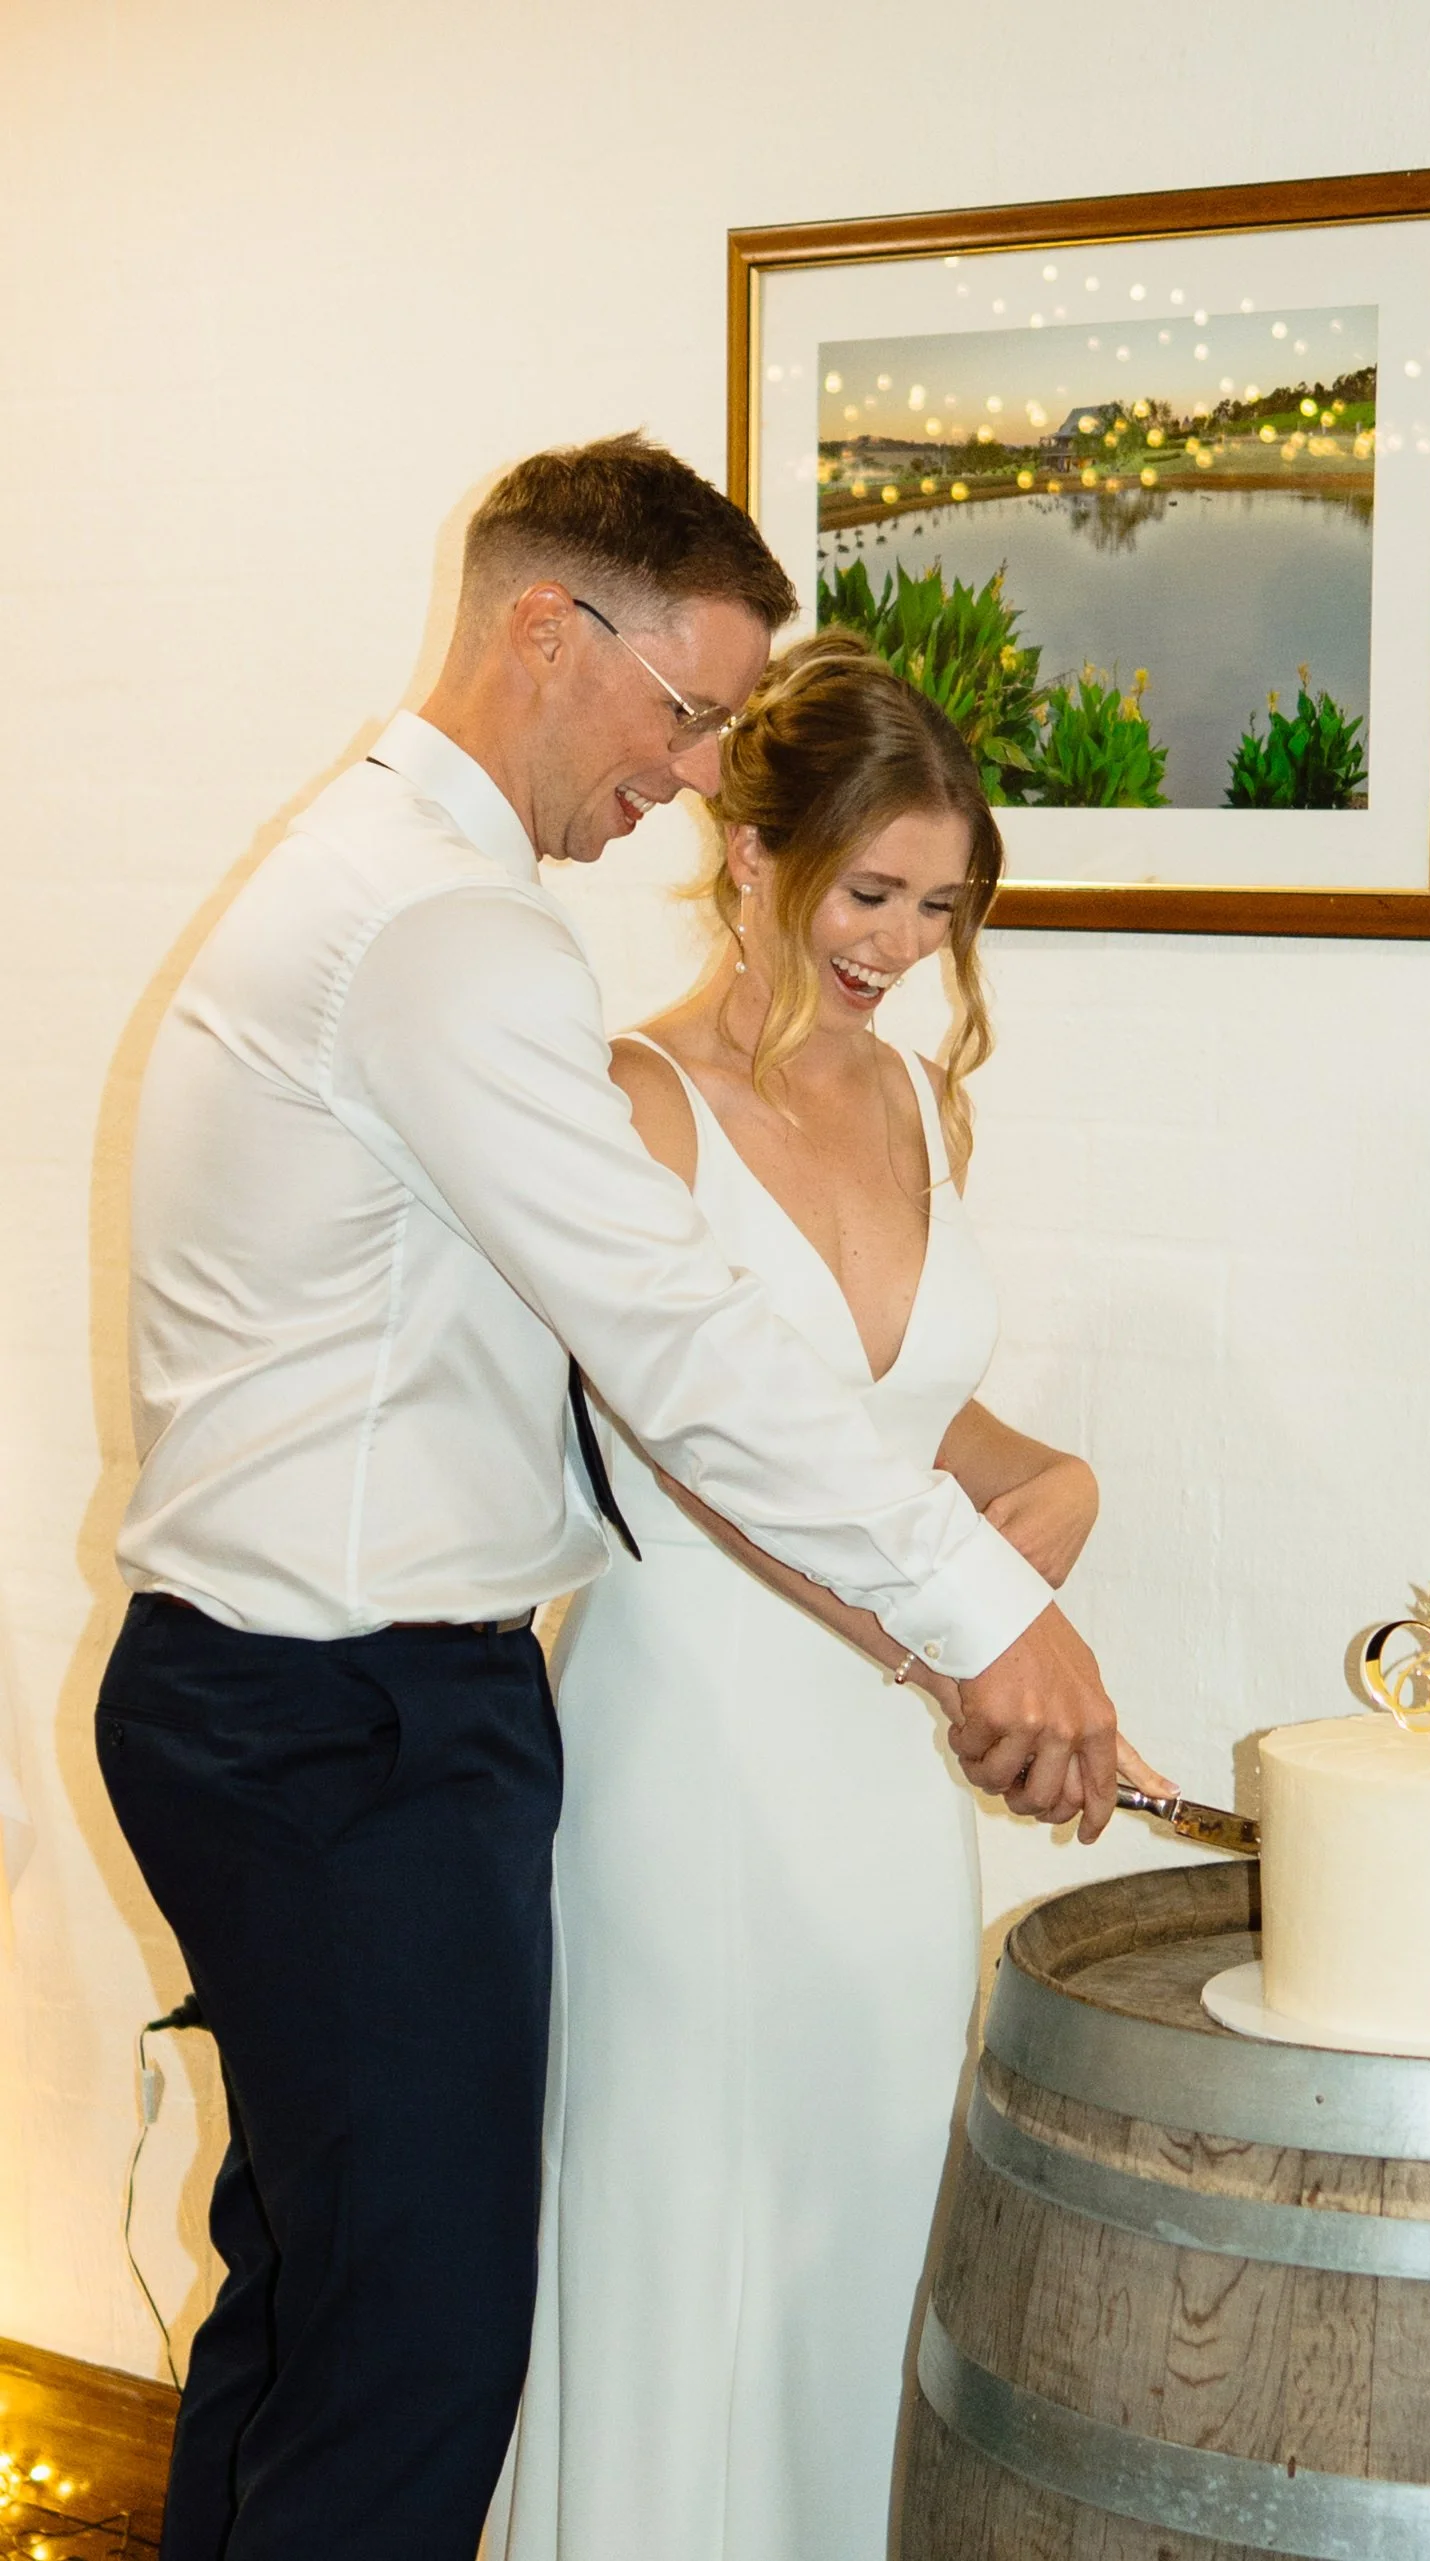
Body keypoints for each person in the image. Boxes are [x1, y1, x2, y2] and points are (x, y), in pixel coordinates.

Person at [94, 437, 1150, 2561]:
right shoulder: (440, 938)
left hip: (295, 1697)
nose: (685, 776)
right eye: (680, 711)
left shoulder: (378, 880)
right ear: (539, 630)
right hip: (349, 1724)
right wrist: (978, 1610)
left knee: (311, 2310)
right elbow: (680, 1344)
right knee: (414, 2356)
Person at [491, 633, 1144, 2561]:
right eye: (873, 892)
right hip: (682, 1751)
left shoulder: (921, 1105)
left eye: (941, 908)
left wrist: (1058, 1483)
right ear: (751, 847)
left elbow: (901, 1424)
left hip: (878, 1778)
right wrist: (975, 1644)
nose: (902, 943)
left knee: (860, 2229)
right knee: (679, 2231)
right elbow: (702, 1450)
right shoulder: (630, 1101)